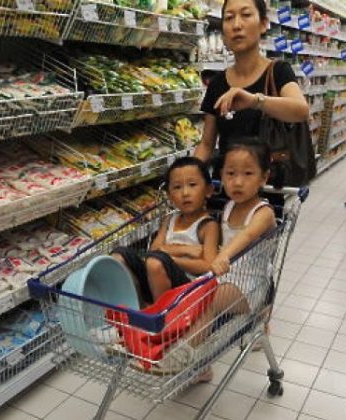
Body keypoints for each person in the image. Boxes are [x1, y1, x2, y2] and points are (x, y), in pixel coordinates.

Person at [175, 142, 276, 382]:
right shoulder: (229, 206)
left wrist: (223, 256)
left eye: (248, 173)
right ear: (221, 175)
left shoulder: (264, 212)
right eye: (230, 174)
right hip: (226, 277)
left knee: (206, 299)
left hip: (251, 285)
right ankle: (197, 362)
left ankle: (182, 355)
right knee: (189, 295)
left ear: (264, 177)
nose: (237, 182)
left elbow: (247, 235)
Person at [193, 0, 309, 169]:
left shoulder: (278, 71)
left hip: (267, 188)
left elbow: (301, 111)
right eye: (229, 18)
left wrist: (255, 101)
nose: (237, 25)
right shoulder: (217, 84)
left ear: (263, 24)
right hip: (228, 186)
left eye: (246, 15)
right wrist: (190, 174)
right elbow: (206, 144)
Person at [112, 157, 220, 305]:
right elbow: (155, 250)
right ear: (169, 196)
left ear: (208, 190)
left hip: (186, 290)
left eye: (192, 185)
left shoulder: (208, 226)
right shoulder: (169, 220)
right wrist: (185, 250)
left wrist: (171, 260)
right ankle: (138, 305)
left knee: (156, 263)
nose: (185, 193)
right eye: (177, 187)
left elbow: (208, 266)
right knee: (119, 255)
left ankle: (163, 316)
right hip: (156, 281)